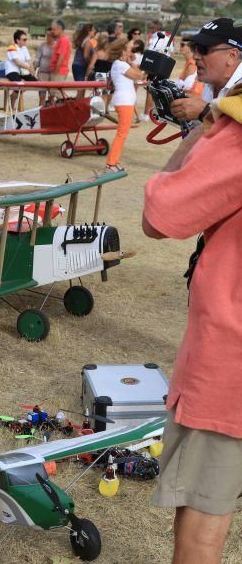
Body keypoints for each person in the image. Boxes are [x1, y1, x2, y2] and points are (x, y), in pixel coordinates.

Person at [142, 82, 242, 564]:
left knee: (203, 512)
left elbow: (159, 216)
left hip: (231, 360)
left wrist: (202, 128)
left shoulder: (237, 130)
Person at [170, 18, 242, 122]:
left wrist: (205, 112)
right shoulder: (210, 85)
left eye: (203, 49)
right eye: (194, 48)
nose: (195, 56)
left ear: (232, 56)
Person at [106, 38, 145, 170]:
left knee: (123, 133)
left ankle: (114, 162)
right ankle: (111, 163)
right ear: (123, 50)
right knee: (122, 133)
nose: (131, 50)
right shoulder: (120, 65)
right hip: (124, 102)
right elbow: (139, 75)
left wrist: (130, 62)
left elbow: (138, 74)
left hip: (125, 101)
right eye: (129, 48)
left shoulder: (122, 64)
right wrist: (134, 64)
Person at [4, 29, 37, 108]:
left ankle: (14, 95)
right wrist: (29, 68)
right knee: (20, 84)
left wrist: (32, 70)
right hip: (12, 71)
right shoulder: (11, 48)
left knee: (35, 82)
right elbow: (17, 62)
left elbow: (29, 60)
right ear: (17, 40)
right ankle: (12, 104)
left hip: (22, 71)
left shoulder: (24, 48)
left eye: (26, 39)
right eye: (24, 39)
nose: (26, 41)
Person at [49, 19, 72, 98]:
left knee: (57, 92)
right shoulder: (61, 39)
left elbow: (61, 57)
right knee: (53, 92)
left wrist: (55, 72)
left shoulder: (64, 40)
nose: (52, 31)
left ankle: (64, 108)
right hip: (58, 70)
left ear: (60, 28)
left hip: (59, 71)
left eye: (54, 29)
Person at [34, 27, 55, 105]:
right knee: (42, 96)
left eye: (50, 35)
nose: (48, 37)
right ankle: (40, 112)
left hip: (53, 74)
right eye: (47, 35)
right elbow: (37, 60)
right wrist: (33, 71)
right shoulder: (42, 46)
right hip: (42, 74)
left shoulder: (57, 47)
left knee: (52, 96)